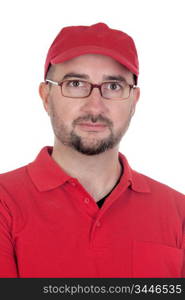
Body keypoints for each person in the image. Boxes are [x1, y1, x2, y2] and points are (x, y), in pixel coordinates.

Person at [0, 22, 184, 278]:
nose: (95, 107)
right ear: (45, 96)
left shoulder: (178, 212)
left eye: (113, 86)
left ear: (134, 101)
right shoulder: (5, 202)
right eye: (75, 84)